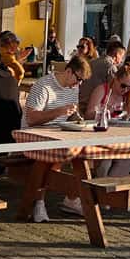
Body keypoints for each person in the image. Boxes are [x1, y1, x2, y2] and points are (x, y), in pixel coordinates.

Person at [25, 54, 90, 222]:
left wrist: (77, 118)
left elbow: (69, 115)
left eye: (82, 81)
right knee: (49, 159)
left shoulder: (73, 88)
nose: (79, 84)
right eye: (78, 79)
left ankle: (72, 197)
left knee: (86, 155)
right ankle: (39, 202)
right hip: (34, 136)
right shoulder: (43, 85)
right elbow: (31, 119)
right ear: (69, 71)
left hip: (59, 135)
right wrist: (59, 112)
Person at [81, 43, 125, 114]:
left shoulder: (93, 62)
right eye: (122, 57)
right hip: (93, 108)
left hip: (81, 103)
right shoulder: (110, 66)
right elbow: (117, 88)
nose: (121, 60)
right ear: (117, 55)